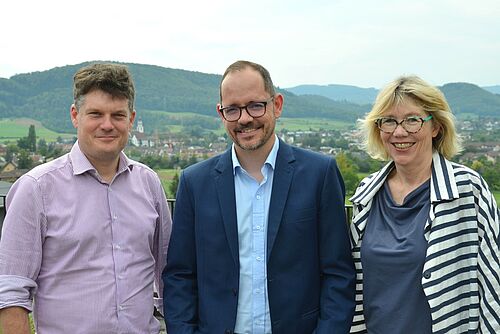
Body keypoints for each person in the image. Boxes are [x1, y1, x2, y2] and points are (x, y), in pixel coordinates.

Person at [163, 60, 355, 334]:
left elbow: (338, 274)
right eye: (233, 109)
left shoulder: (319, 174)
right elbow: (180, 276)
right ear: (221, 113)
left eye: (255, 105)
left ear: (276, 104)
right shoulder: (195, 183)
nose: (244, 118)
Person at [0, 63, 172, 334]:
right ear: (75, 115)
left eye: (118, 115)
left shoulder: (149, 183)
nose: (107, 125)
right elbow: (11, 294)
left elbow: (167, 275)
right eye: (95, 114)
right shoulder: (36, 189)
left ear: (131, 119)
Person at [349, 75, 499, 333]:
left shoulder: (467, 189)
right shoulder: (367, 193)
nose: (399, 131)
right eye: (389, 121)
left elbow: (494, 284)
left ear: (436, 127)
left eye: (412, 120)